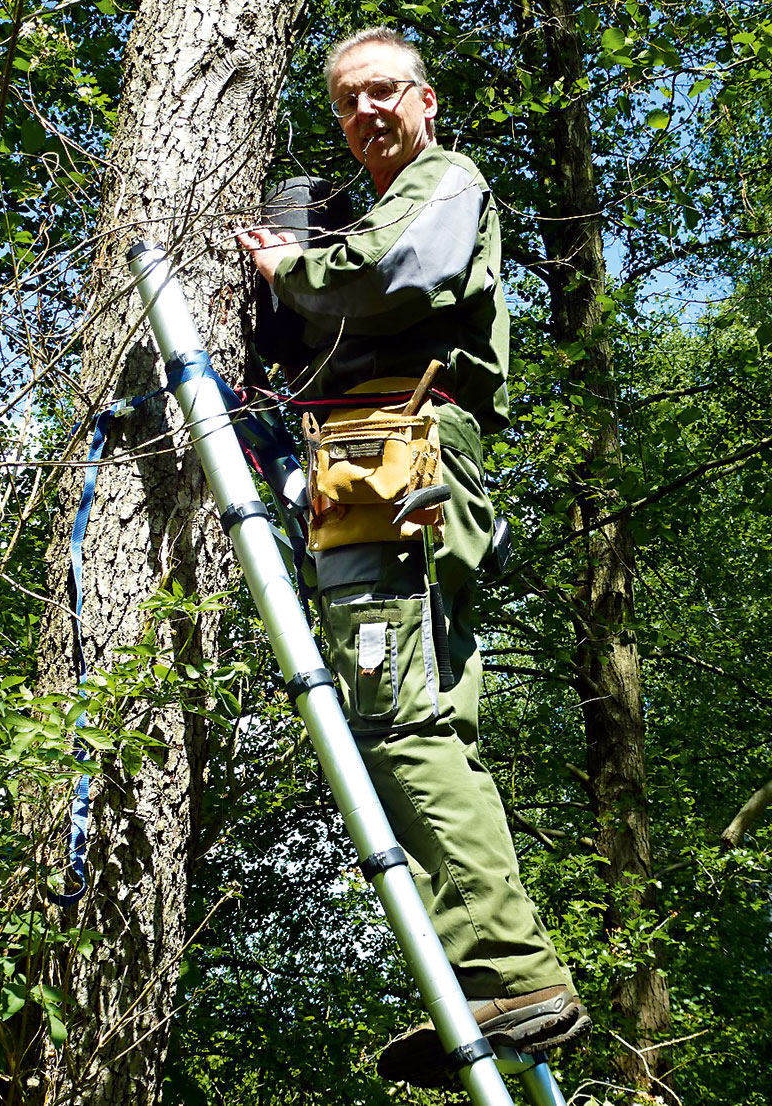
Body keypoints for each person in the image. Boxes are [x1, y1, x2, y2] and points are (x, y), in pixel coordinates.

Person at [238, 26, 590, 1086]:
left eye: (382, 93)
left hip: (401, 464)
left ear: (425, 99)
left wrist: (292, 264)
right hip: (371, 466)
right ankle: (486, 974)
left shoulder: (442, 181)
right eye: (347, 103)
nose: (365, 115)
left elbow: (398, 273)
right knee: (415, 716)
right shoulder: (386, 196)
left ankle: (511, 978)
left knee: (402, 718)